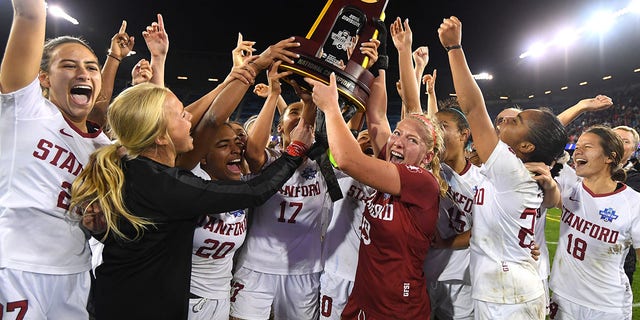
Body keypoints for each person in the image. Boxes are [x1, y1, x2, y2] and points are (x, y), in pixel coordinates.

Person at [69, 82, 313, 320]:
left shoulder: (132, 168)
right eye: (181, 115)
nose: (189, 118)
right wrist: (296, 149)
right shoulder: (166, 183)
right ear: (161, 136)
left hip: (123, 299)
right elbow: (255, 190)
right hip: (143, 307)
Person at [440, 15, 568, 319]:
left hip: (509, 295)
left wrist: (454, 47)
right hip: (507, 287)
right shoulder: (516, 171)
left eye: (518, 121)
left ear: (525, 147)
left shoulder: (512, 172)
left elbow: (472, 109)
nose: (507, 119)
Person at [0, 1, 112, 318]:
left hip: (74, 271)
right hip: (16, 268)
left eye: (92, 67)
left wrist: (100, 221)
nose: (83, 73)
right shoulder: (26, 110)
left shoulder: (103, 147)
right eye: (69, 65)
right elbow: (30, 13)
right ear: (44, 78)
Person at [229, 58, 328, 320]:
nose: (297, 117)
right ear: (280, 126)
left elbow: (306, 126)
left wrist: (308, 102)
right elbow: (252, 150)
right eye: (291, 113)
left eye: (301, 113)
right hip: (255, 267)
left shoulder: (323, 167)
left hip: (303, 270)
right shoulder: (270, 161)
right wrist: (274, 93)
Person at [550, 125, 640, 320]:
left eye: (588, 146)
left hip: (606, 305)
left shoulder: (634, 203)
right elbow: (543, 136)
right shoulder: (569, 183)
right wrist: (582, 106)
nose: (577, 151)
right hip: (563, 296)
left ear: (609, 157)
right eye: (578, 146)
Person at [613, 126, 640, 286]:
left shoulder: (636, 176)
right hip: (585, 254)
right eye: (614, 138)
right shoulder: (589, 170)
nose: (618, 143)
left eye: (625, 141)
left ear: (634, 148)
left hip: (619, 258)